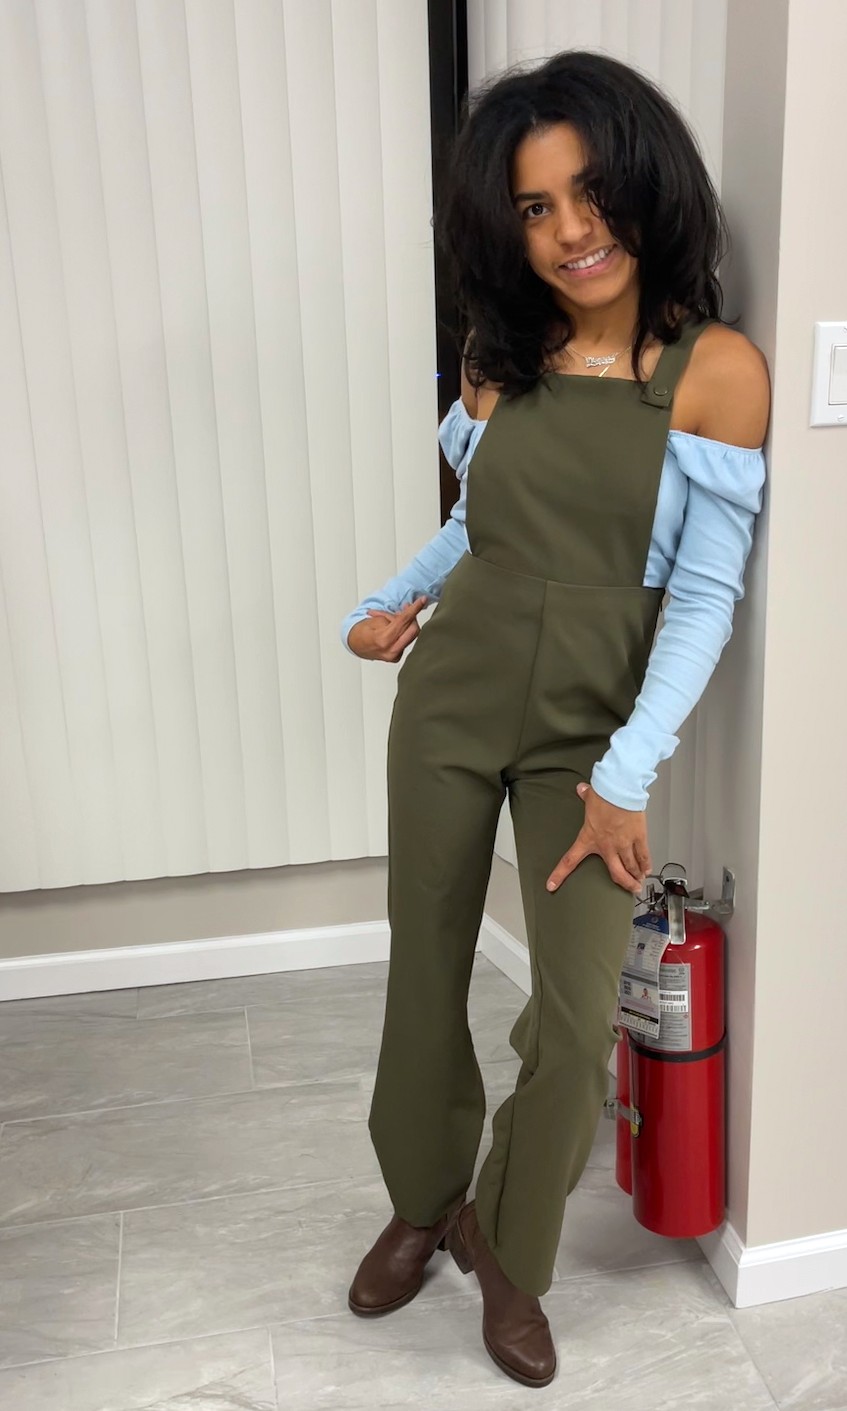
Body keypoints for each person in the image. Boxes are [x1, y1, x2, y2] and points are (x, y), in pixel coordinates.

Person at [339, 49, 769, 1390]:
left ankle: (505, 1244)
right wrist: (392, 599)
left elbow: (703, 602)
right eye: (535, 209)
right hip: (454, 704)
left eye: (591, 195)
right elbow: (475, 528)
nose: (572, 233)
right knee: (426, 969)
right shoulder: (497, 359)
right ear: (503, 226)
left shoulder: (714, 373)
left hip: (593, 738)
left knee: (578, 1019)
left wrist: (630, 770)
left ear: (645, 188)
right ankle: (422, 1201)